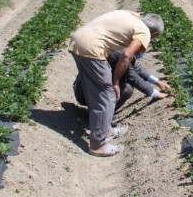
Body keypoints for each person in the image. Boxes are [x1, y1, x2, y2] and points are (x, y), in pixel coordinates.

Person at [68, 10, 164, 157]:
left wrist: (157, 82)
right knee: (107, 93)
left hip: (79, 40)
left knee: (103, 90)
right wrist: (116, 82)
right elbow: (127, 56)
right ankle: (97, 145)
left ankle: (105, 129)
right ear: (155, 34)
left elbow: (134, 66)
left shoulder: (132, 17)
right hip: (92, 48)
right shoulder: (143, 33)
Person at [73, 50, 171, 111]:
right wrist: (155, 93)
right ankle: (100, 117)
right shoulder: (121, 54)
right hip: (84, 94)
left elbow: (136, 68)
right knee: (127, 88)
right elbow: (133, 77)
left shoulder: (121, 46)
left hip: (81, 87)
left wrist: (158, 82)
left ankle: (98, 112)